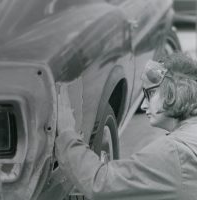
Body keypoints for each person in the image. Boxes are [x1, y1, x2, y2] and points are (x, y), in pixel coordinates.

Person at [55, 52, 197, 200]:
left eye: (151, 94)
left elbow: (99, 183)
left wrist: (67, 135)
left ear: (173, 92)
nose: (143, 106)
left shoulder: (174, 153)